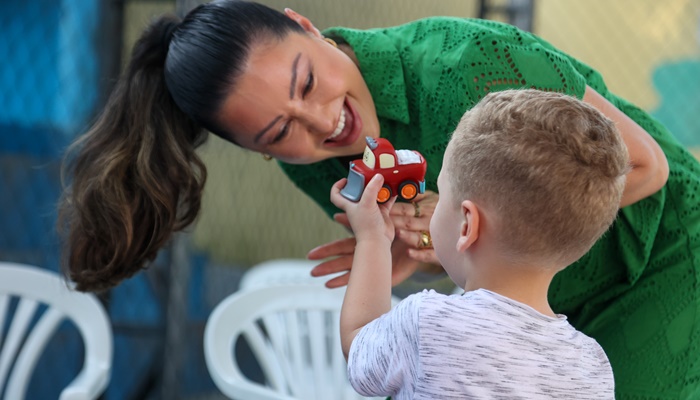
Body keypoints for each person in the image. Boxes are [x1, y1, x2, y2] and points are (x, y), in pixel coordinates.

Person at [58, 1, 700, 398]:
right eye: (281, 132)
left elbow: (641, 168)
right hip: (552, 308)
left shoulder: (463, 62)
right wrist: (420, 255)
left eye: (307, 81)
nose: (322, 122)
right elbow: (471, 251)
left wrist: (462, 239)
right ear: (261, 150)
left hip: (665, 252)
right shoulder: (314, 167)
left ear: (306, 26)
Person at [331, 89, 622, 399]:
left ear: (468, 224)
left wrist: (372, 238)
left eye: (442, 193)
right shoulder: (593, 369)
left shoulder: (426, 325)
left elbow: (359, 345)